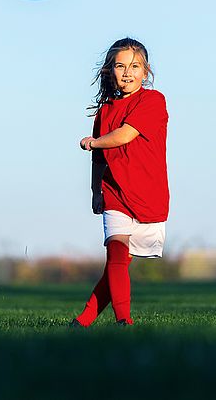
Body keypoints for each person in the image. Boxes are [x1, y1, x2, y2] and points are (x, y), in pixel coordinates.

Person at [71, 37, 169, 327]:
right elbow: (99, 160)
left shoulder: (153, 100)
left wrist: (94, 142)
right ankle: (123, 321)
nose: (127, 72)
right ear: (109, 70)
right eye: (121, 65)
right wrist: (94, 191)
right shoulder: (104, 112)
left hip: (148, 192)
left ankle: (83, 320)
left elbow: (125, 135)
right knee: (115, 251)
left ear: (146, 71)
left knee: (119, 263)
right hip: (114, 191)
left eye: (135, 66)